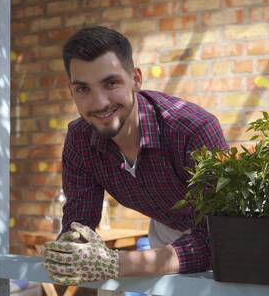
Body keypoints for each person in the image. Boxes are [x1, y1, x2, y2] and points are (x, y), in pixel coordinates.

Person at [43, 26, 228, 285]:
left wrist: (116, 263)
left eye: (111, 83)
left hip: (242, 235)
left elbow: (216, 241)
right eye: (83, 89)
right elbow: (79, 224)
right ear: (71, 90)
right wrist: (71, 251)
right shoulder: (80, 139)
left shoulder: (192, 130)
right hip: (166, 233)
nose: (99, 103)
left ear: (136, 79)